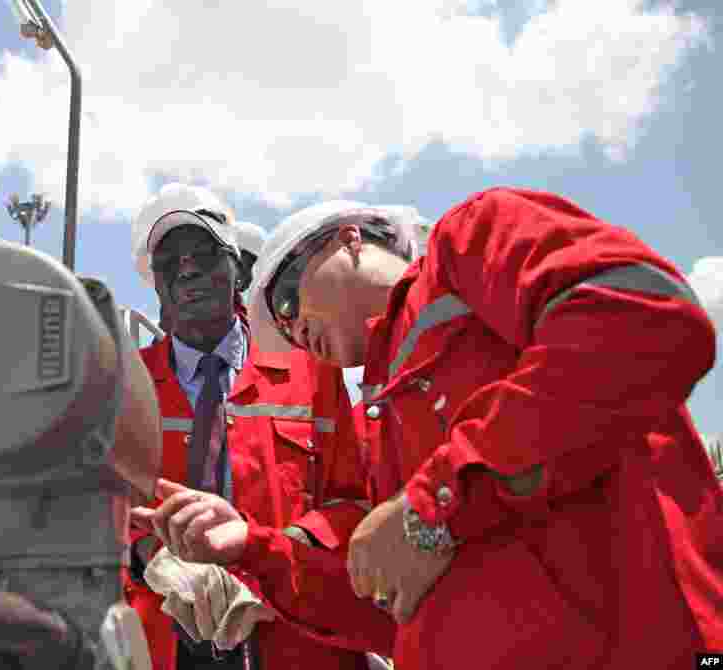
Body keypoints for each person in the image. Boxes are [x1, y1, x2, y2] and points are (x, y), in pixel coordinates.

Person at [233, 188, 721, 669]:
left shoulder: (467, 242)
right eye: (283, 331)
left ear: (348, 238)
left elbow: (640, 315)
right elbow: (392, 609)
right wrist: (251, 551)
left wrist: (428, 509)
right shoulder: (375, 423)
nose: (293, 332)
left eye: (288, 304)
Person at [126, 185, 380, 670]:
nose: (187, 270)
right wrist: (153, 562)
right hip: (169, 640)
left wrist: (279, 555)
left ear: (238, 269)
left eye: (204, 254)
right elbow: (100, 510)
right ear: (156, 287)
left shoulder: (312, 373)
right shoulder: (127, 386)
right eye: (169, 263)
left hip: (295, 634)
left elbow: (353, 503)